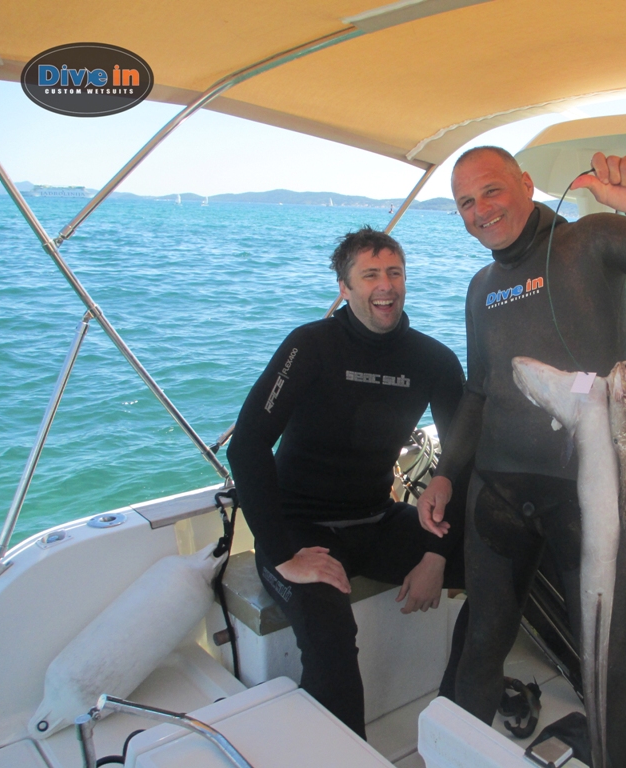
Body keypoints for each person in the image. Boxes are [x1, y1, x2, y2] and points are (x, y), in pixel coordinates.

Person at [417, 146, 626, 766]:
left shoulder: (589, 240)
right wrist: (447, 476)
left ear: (526, 183)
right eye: (465, 202)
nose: (480, 210)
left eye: (491, 190)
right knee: (481, 644)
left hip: (585, 496)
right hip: (496, 492)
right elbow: (480, 391)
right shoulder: (481, 287)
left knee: (607, 668)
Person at [226, 226, 466, 739]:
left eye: (395, 273)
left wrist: (437, 555)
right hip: (300, 528)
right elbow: (246, 446)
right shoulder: (310, 346)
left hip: (378, 519)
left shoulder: (433, 360)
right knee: (330, 639)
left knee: (495, 569)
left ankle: (455, 718)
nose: (386, 286)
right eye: (371, 274)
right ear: (345, 287)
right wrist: (284, 553)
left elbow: (463, 454)